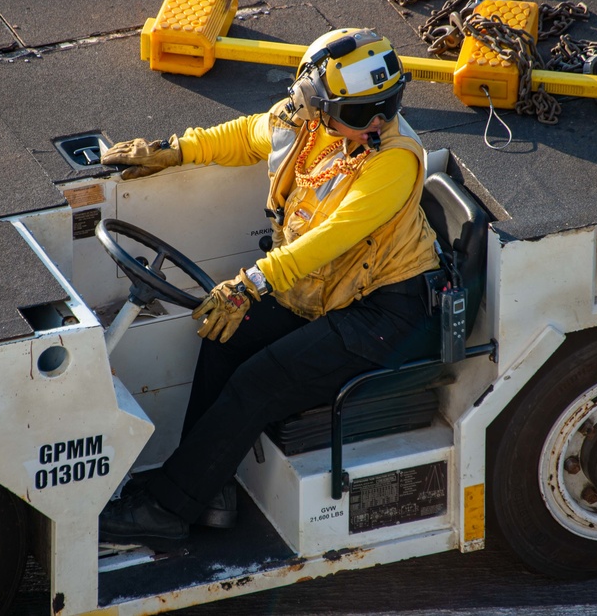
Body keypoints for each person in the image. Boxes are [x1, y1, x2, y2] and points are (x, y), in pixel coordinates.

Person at [99, 28, 442, 547]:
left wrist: (247, 285)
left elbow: (329, 240)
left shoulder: (393, 159)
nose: (377, 123)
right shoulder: (301, 123)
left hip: (385, 313)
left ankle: (167, 510)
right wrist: (176, 150)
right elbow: (247, 135)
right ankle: (207, 491)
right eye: (358, 115)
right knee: (223, 338)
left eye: (388, 107)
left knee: (260, 380)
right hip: (324, 293)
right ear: (315, 103)